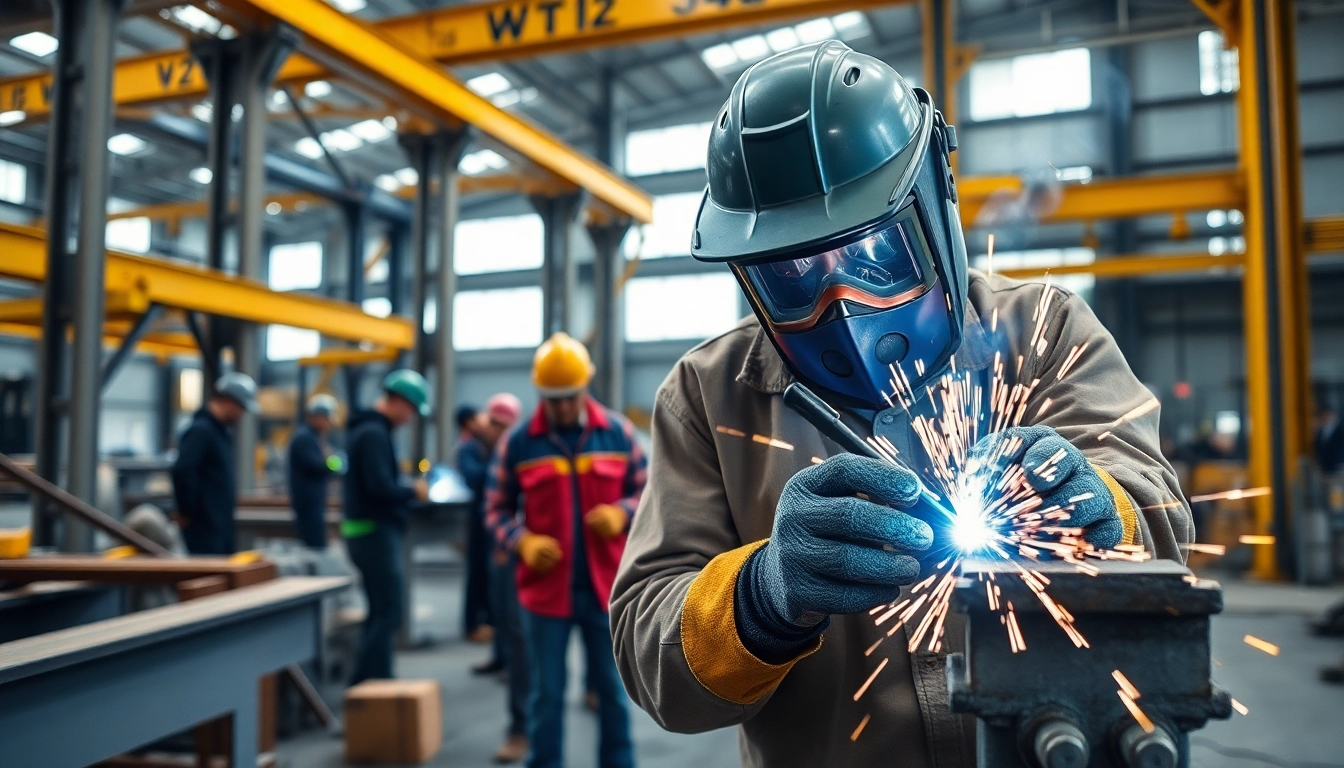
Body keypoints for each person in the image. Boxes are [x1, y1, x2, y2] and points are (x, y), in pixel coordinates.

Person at [610, 43, 1191, 767]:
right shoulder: (708, 394)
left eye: (874, 253)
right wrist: (764, 594)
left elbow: (1163, 517)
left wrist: (1099, 504)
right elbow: (648, 652)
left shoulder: (1044, 332)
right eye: (793, 274)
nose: (844, 305)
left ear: (932, 207)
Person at [487, 333, 646, 768]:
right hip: (545, 594)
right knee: (546, 696)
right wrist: (522, 540)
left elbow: (651, 493)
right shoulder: (518, 443)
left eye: (568, 397)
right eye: (552, 398)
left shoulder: (618, 433)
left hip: (605, 589)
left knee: (613, 693)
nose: (560, 408)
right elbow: (495, 508)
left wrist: (623, 511)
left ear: (585, 388)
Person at [344, 370, 431, 685]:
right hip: (373, 532)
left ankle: (378, 684)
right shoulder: (373, 434)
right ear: (397, 401)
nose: (409, 419)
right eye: (410, 410)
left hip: (365, 531)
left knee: (379, 610)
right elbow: (379, 487)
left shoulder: (368, 430)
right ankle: (363, 685)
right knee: (390, 611)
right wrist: (413, 490)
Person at [458, 395, 523, 664]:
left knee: (511, 606)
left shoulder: (517, 448)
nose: (494, 429)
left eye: (501, 425)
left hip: (512, 538)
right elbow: (485, 489)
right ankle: (500, 655)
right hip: (487, 530)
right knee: (494, 595)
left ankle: (510, 660)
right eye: (493, 423)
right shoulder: (475, 448)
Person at [171, 372, 258, 555]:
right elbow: (182, 470)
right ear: (228, 401)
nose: (241, 414)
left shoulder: (218, 433)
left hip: (218, 526)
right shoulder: (201, 431)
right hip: (204, 528)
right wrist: (187, 511)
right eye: (240, 407)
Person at [287, 394, 343, 550]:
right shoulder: (304, 438)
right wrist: (334, 463)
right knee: (314, 542)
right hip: (307, 500)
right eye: (326, 418)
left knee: (316, 538)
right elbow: (317, 465)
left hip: (314, 499)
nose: (328, 424)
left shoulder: (314, 438)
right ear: (316, 416)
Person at [1315, 401, 1344, 475]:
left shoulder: (1340, 430)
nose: (1326, 417)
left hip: (1338, 466)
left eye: (1328, 415)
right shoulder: (1321, 430)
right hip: (1325, 466)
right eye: (1324, 415)